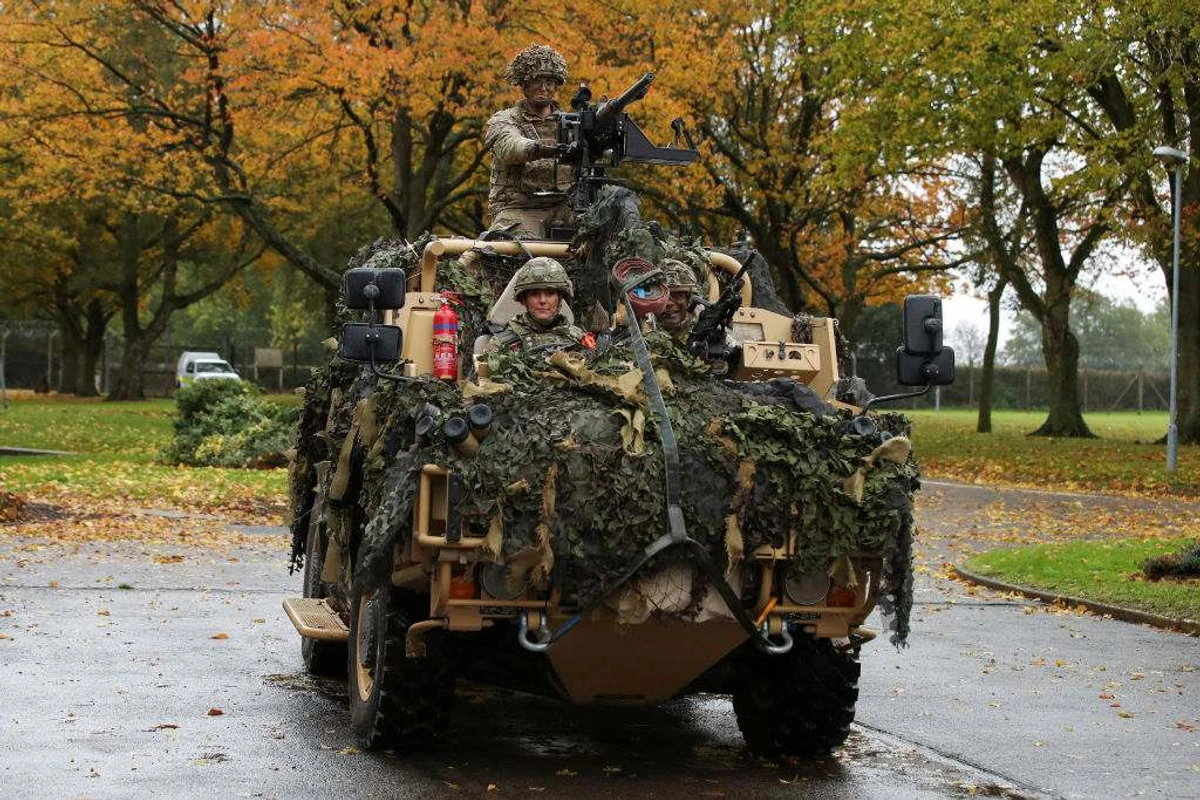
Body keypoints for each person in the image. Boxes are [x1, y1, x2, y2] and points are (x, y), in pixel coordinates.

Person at [483, 45, 576, 239]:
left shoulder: (572, 124)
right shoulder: (505, 120)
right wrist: (538, 147)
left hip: (564, 208)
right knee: (524, 250)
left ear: (557, 86)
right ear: (523, 84)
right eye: (536, 81)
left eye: (549, 82)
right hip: (518, 209)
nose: (543, 87)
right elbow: (510, 146)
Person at [487, 258, 593, 352]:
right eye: (534, 294)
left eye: (550, 293)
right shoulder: (503, 342)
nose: (542, 300)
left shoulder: (579, 338)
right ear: (524, 299)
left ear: (560, 298)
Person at [657, 258, 700, 339]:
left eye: (678, 295)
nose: (669, 303)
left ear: (689, 300)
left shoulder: (703, 330)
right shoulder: (641, 330)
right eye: (662, 295)